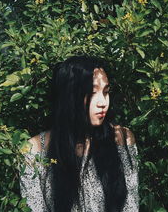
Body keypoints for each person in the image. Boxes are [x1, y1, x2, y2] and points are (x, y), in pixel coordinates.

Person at [20, 56, 139, 212]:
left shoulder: (121, 138)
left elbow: (131, 205)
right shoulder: (34, 150)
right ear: (70, 96)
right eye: (92, 93)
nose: (103, 102)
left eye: (106, 92)